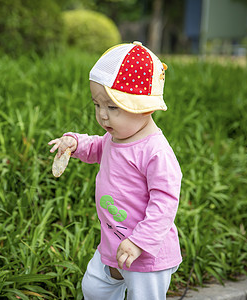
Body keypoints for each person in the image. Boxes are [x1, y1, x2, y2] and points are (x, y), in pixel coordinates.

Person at [48, 41, 182, 299]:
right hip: (112, 243)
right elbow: (99, 147)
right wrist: (75, 143)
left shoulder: (156, 152)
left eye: (112, 107)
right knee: (94, 288)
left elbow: (165, 202)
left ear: (145, 107)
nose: (103, 116)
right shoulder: (117, 136)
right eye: (97, 105)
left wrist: (140, 242)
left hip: (146, 253)